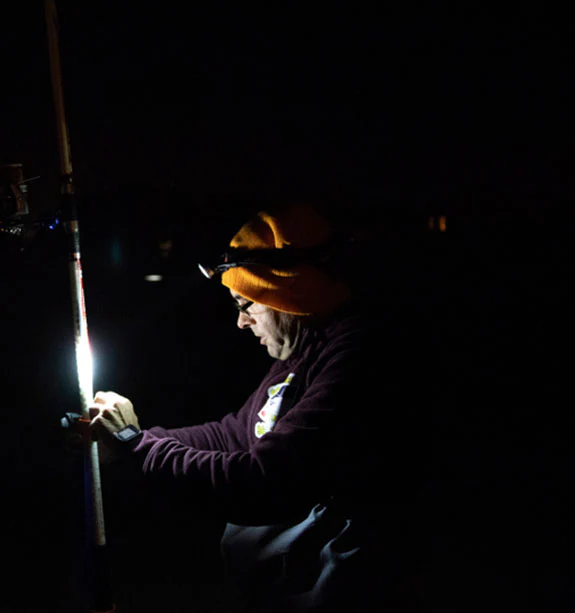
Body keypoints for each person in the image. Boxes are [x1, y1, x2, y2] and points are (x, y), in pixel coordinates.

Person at [87, 204, 431, 612]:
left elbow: (265, 482)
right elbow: (236, 434)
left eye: (245, 303)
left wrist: (136, 445)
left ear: (287, 295)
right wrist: (133, 438)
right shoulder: (303, 352)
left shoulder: (358, 359)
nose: (241, 322)